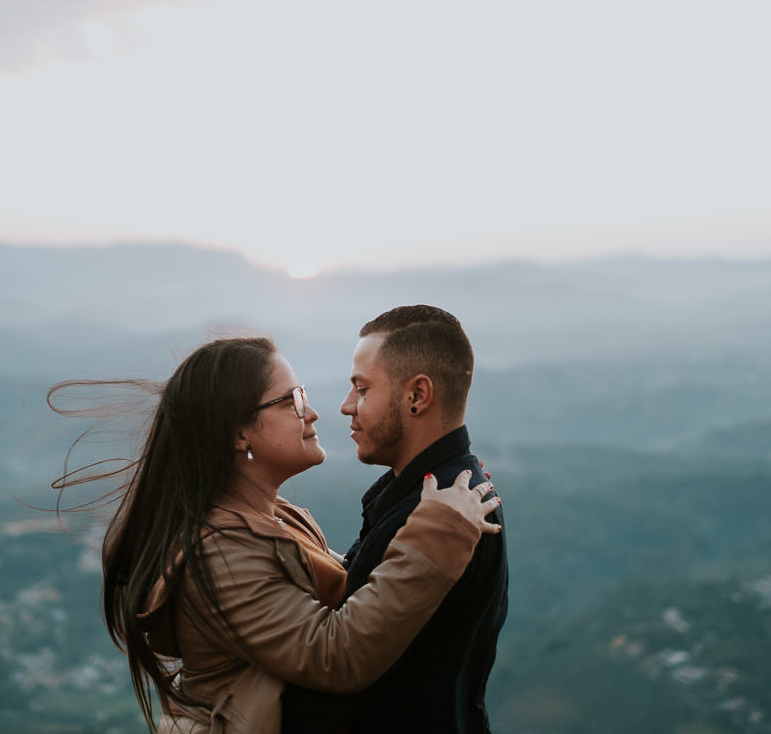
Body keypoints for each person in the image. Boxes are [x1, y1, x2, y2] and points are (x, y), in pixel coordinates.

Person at [48, 336, 502, 734]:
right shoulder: (218, 553)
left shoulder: (274, 518)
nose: (315, 411)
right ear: (240, 433)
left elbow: (354, 589)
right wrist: (440, 531)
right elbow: (336, 653)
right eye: (293, 401)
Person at [282, 305, 509, 734]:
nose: (347, 406)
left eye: (362, 389)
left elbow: (345, 686)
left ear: (417, 396)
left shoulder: (437, 521)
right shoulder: (444, 498)